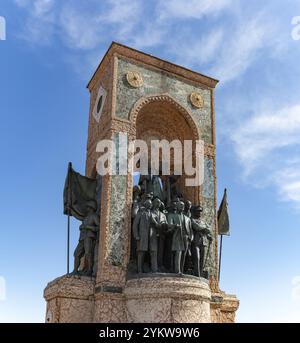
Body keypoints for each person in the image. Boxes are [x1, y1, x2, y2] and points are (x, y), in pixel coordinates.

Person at [73, 200, 99, 276]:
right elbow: (78, 216)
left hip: (89, 237)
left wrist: (88, 227)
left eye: (87, 207)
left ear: (91, 208)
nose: (86, 209)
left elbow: (99, 227)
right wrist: (81, 227)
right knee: (76, 254)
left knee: (88, 253)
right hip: (82, 238)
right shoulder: (85, 218)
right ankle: (75, 270)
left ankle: (90, 270)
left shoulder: (94, 216)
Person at [167, 201, 193, 274]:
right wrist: (175, 226)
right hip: (177, 236)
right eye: (181, 205)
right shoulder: (172, 215)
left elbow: (190, 230)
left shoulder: (187, 218)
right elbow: (169, 225)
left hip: (186, 238)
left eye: (183, 205)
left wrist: (191, 237)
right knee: (178, 252)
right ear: (177, 206)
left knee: (184, 255)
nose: (182, 206)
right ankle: (177, 270)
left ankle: (182, 270)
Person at [191, 205, 212, 278]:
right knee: (197, 258)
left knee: (202, 260)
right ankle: (196, 274)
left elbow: (209, 229)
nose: (199, 213)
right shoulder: (192, 220)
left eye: (200, 211)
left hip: (203, 242)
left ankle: (199, 274)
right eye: (198, 211)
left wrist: (205, 230)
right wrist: (204, 229)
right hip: (196, 241)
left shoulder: (203, 222)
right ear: (195, 212)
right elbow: (196, 227)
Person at [132, 199, 152, 273]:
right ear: (145, 204)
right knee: (141, 253)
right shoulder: (140, 213)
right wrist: (136, 235)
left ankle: (147, 268)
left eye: (151, 204)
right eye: (149, 204)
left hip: (150, 237)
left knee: (149, 253)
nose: (150, 205)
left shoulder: (152, 213)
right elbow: (135, 225)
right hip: (142, 236)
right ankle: (139, 269)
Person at [150, 198, 167, 272]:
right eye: (157, 202)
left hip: (161, 235)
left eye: (159, 202)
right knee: (153, 251)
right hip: (152, 234)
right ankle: (154, 268)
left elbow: (166, 224)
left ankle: (159, 267)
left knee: (160, 252)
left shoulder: (163, 215)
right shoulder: (150, 213)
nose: (158, 203)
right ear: (153, 203)